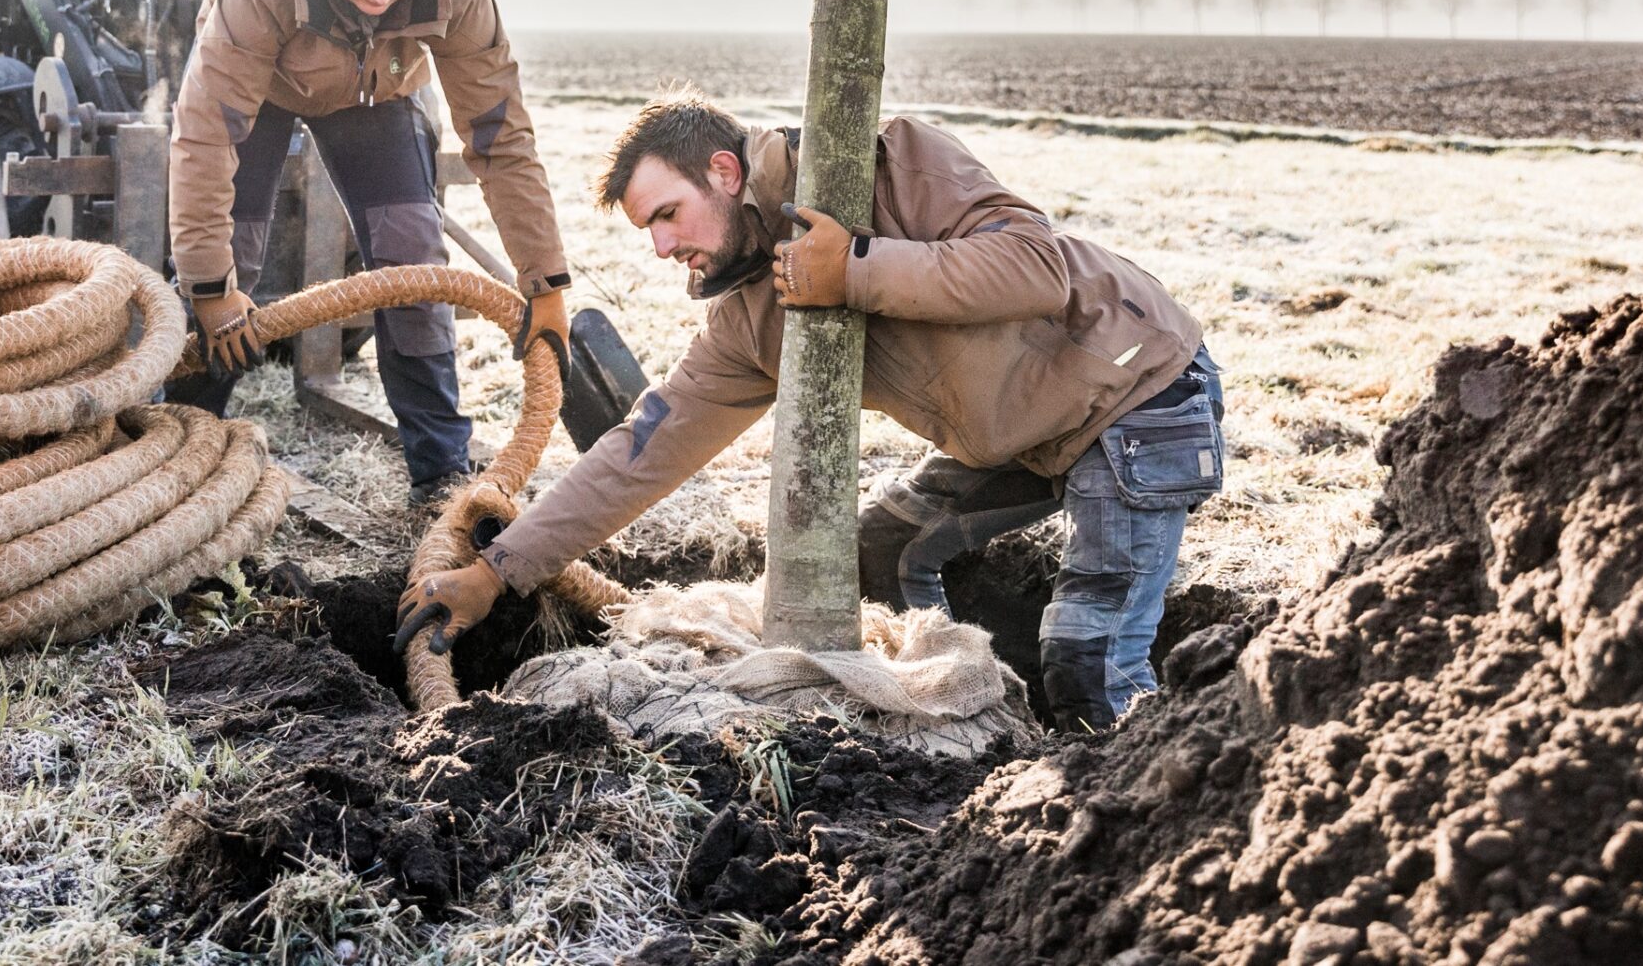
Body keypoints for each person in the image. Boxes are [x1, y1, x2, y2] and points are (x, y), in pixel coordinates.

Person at [395, 93, 1225, 731]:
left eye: (666, 215)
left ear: (725, 171)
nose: (660, 246)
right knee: (880, 553)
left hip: (1135, 394)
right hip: (1022, 436)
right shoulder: (750, 319)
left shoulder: (890, 159)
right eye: (647, 229)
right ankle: (962, 714)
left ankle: (1134, 811)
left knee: (1088, 662)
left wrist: (855, 269)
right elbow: (641, 447)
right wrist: (499, 569)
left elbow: (1035, 267)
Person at [167, 0, 570, 504]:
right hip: (263, 88)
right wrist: (211, 286)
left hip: (375, 93)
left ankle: (441, 473)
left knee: (411, 248)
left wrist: (545, 280)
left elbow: (500, 134)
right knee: (230, 253)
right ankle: (180, 444)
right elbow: (207, 131)